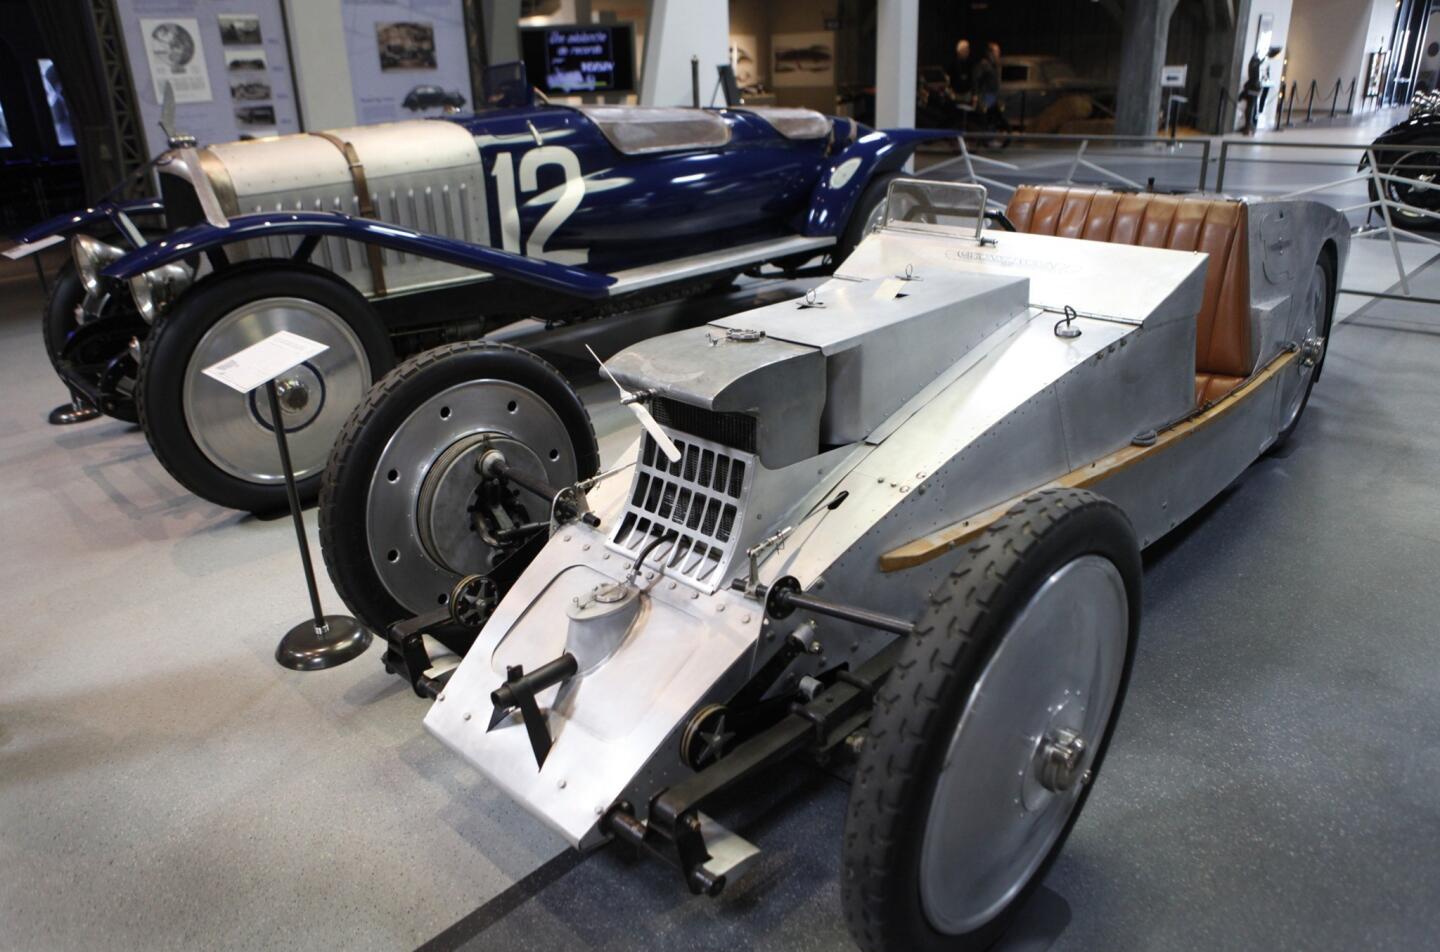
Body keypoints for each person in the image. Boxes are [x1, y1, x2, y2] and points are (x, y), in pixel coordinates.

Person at [1240, 45, 1282, 134]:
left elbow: (1259, 64)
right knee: (1250, 107)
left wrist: (1265, 56)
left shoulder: (1255, 62)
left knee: (1251, 107)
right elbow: (1257, 66)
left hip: (1253, 86)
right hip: (1253, 86)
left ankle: (1249, 125)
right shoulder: (1254, 63)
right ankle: (1248, 125)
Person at [974, 42, 1009, 133]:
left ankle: (991, 136)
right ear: (990, 53)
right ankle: (986, 138)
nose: (998, 53)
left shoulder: (994, 65)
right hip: (986, 96)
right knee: (986, 118)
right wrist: (976, 95)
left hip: (993, 95)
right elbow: (976, 79)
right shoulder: (984, 65)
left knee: (993, 117)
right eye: (996, 51)